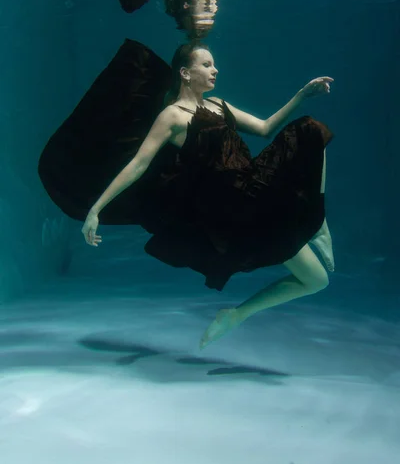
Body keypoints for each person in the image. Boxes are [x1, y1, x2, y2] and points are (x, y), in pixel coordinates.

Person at [77, 41, 334, 349]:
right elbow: (138, 164)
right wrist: (96, 209)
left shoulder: (219, 105)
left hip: (254, 191)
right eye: (207, 65)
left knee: (316, 280)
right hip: (234, 206)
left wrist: (302, 94)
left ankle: (235, 316)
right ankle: (315, 221)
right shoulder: (172, 116)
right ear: (186, 73)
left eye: (213, 65)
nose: (215, 70)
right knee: (310, 130)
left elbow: (265, 128)